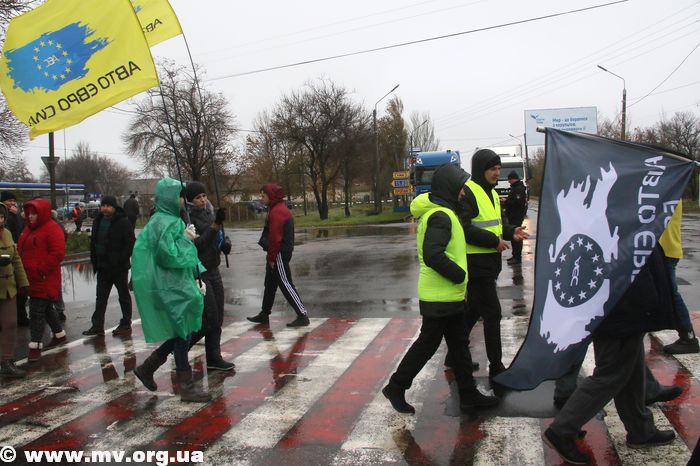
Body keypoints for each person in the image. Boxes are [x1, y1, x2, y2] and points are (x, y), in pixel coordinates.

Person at [382, 164, 499, 414]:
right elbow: (433, 255)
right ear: (450, 188)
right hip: (440, 296)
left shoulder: (445, 212)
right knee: (427, 344)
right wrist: (459, 275)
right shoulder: (440, 216)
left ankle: (468, 395)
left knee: (459, 345)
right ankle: (396, 386)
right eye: (461, 188)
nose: (464, 192)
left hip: (449, 295)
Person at [543, 247, 676, 465]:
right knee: (610, 373)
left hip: (620, 302)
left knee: (631, 369)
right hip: (622, 303)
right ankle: (562, 430)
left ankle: (640, 429)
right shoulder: (620, 228)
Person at [132, 177, 211, 402]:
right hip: (171, 287)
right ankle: (185, 386)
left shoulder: (167, 220)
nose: (183, 200)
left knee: (183, 331)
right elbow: (168, 256)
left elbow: (181, 257)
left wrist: (196, 277)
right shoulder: (165, 222)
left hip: (176, 283)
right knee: (182, 333)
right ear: (169, 198)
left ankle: (148, 367)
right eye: (179, 196)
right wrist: (185, 240)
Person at [452, 149, 528, 381]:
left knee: (473, 311)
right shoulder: (468, 192)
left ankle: (453, 357)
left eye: (498, 169)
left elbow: (496, 224)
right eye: (493, 169)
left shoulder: (492, 194)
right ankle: (496, 367)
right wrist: (493, 241)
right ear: (480, 169)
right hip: (476, 264)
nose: (497, 173)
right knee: (493, 313)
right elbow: (464, 229)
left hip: (490, 264)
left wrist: (511, 231)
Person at [185, 181, 235, 371]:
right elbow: (198, 245)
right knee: (210, 318)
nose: (203, 200)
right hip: (201, 272)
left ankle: (214, 357)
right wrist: (215, 226)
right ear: (190, 201)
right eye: (198, 197)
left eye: (204, 196)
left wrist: (226, 243)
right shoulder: (189, 219)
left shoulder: (210, 212)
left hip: (215, 269)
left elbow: (220, 235)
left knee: (218, 317)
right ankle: (182, 346)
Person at [246, 184, 309, 328]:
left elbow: (275, 239)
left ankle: (302, 315)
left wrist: (272, 258)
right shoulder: (276, 208)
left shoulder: (277, 211)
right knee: (270, 284)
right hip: (277, 252)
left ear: (271, 196)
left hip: (278, 253)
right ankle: (264, 313)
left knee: (286, 284)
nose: (261, 198)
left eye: (263, 195)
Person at [18, 197, 67, 362]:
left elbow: (57, 253)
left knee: (36, 311)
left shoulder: (52, 229)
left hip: (44, 278)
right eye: (28, 213)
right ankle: (59, 334)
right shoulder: (28, 229)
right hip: (31, 277)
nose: (30, 216)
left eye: (34, 213)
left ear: (42, 213)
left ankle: (35, 346)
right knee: (45, 309)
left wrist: (41, 270)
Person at [82, 196, 135, 337]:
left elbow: (130, 243)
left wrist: (120, 260)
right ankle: (97, 325)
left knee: (123, 296)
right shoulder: (98, 221)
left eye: (108, 206)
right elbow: (94, 241)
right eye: (103, 205)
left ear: (114, 207)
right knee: (101, 298)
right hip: (102, 266)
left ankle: (126, 323)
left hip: (118, 268)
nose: (105, 208)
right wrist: (95, 259)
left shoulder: (123, 222)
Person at [659, 201, 698, 354]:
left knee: (670, 294)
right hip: (664, 248)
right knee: (656, 293)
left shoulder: (666, 191)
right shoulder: (671, 189)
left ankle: (688, 337)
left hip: (662, 249)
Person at [0, 203, 30, 377]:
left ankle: (6, 360)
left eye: (2, 216)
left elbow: (16, 259)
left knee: (10, 323)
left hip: (8, 288)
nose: (0, 219)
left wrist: (23, 282)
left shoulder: (8, 233)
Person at [1, 191, 28, 327]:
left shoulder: (14, 217)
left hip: (15, 256)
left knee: (18, 292)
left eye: (13, 200)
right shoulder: (7, 218)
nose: (12, 203)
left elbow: (21, 230)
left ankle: (21, 317)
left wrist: (24, 282)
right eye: (9, 200)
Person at [502, 170, 528, 265]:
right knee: (514, 237)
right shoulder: (515, 188)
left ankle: (517, 257)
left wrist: (506, 202)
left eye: (509, 179)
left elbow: (518, 203)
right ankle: (515, 256)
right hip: (513, 215)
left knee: (517, 237)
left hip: (516, 216)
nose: (508, 181)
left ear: (513, 179)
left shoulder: (518, 189)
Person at [50, 210, 67, 322]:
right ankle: (59, 309)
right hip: (54, 258)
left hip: (51, 259)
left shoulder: (53, 226)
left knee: (53, 285)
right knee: (56, 286)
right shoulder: (58, 224)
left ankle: (55, 310)